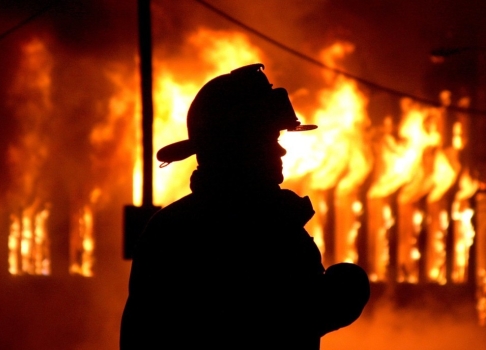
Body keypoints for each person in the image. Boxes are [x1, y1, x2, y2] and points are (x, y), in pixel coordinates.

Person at [120, 63, 370, 350]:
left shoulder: (172, 226)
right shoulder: (257, 229)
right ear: (235, 147)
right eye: (269, 138)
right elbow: (271, 319)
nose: (281, 149)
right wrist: (345, 288)